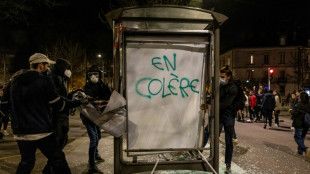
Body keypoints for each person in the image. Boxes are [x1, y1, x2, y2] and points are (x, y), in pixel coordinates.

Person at [0, 53, 77, 174]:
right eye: (47, 65)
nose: (48, 68)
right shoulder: (44, 81)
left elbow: (3, 105)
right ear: (40, 66)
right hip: (42, 131)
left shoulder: (13, 81)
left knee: (26, 163)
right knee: (58, 159)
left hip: (21, 132)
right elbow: (58, 105)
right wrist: (76, 103)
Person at [43, 58, 81, 174]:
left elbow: (62, 96)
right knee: (59, 144)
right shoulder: (55, 79)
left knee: (62, 142)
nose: (69, 71)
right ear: (61, 68)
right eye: (67, 68)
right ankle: (49, 169)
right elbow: (57, 99)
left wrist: (72, 94)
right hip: (58, 116)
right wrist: (75, 103)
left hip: (61, 115)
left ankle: (49, 169)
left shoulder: (60, 79)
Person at [80, 65, 112, 174]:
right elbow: (92, 97)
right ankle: (91, 164)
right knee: (93, 138)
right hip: (88, 116)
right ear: (88, 76)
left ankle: (96, 154)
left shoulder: (102, 85)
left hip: (97, 116)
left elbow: (108, 95)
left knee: (98, 135)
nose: (93, 77)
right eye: (91, 75)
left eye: (96, 75)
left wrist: (104, 87)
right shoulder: (87, 86)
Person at [219, 66, 238, 173]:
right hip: (220, 115)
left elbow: (226, 103)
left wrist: (214, 105)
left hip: (228, 116)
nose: (220, 79)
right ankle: (198, 152)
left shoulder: (233, 88)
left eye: (222, 77)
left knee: (228, 141)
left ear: (229, 77)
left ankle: (228, 165)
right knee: (208, 131)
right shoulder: (221, 86)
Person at [291, 91, 310, 156]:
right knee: (302, 137)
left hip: (299, 123)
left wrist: (291, 111)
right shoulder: (308, 105)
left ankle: (305, 149)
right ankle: (300, 152)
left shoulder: (298, 105)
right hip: (306, 124)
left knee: (297, 137)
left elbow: (295, 113)